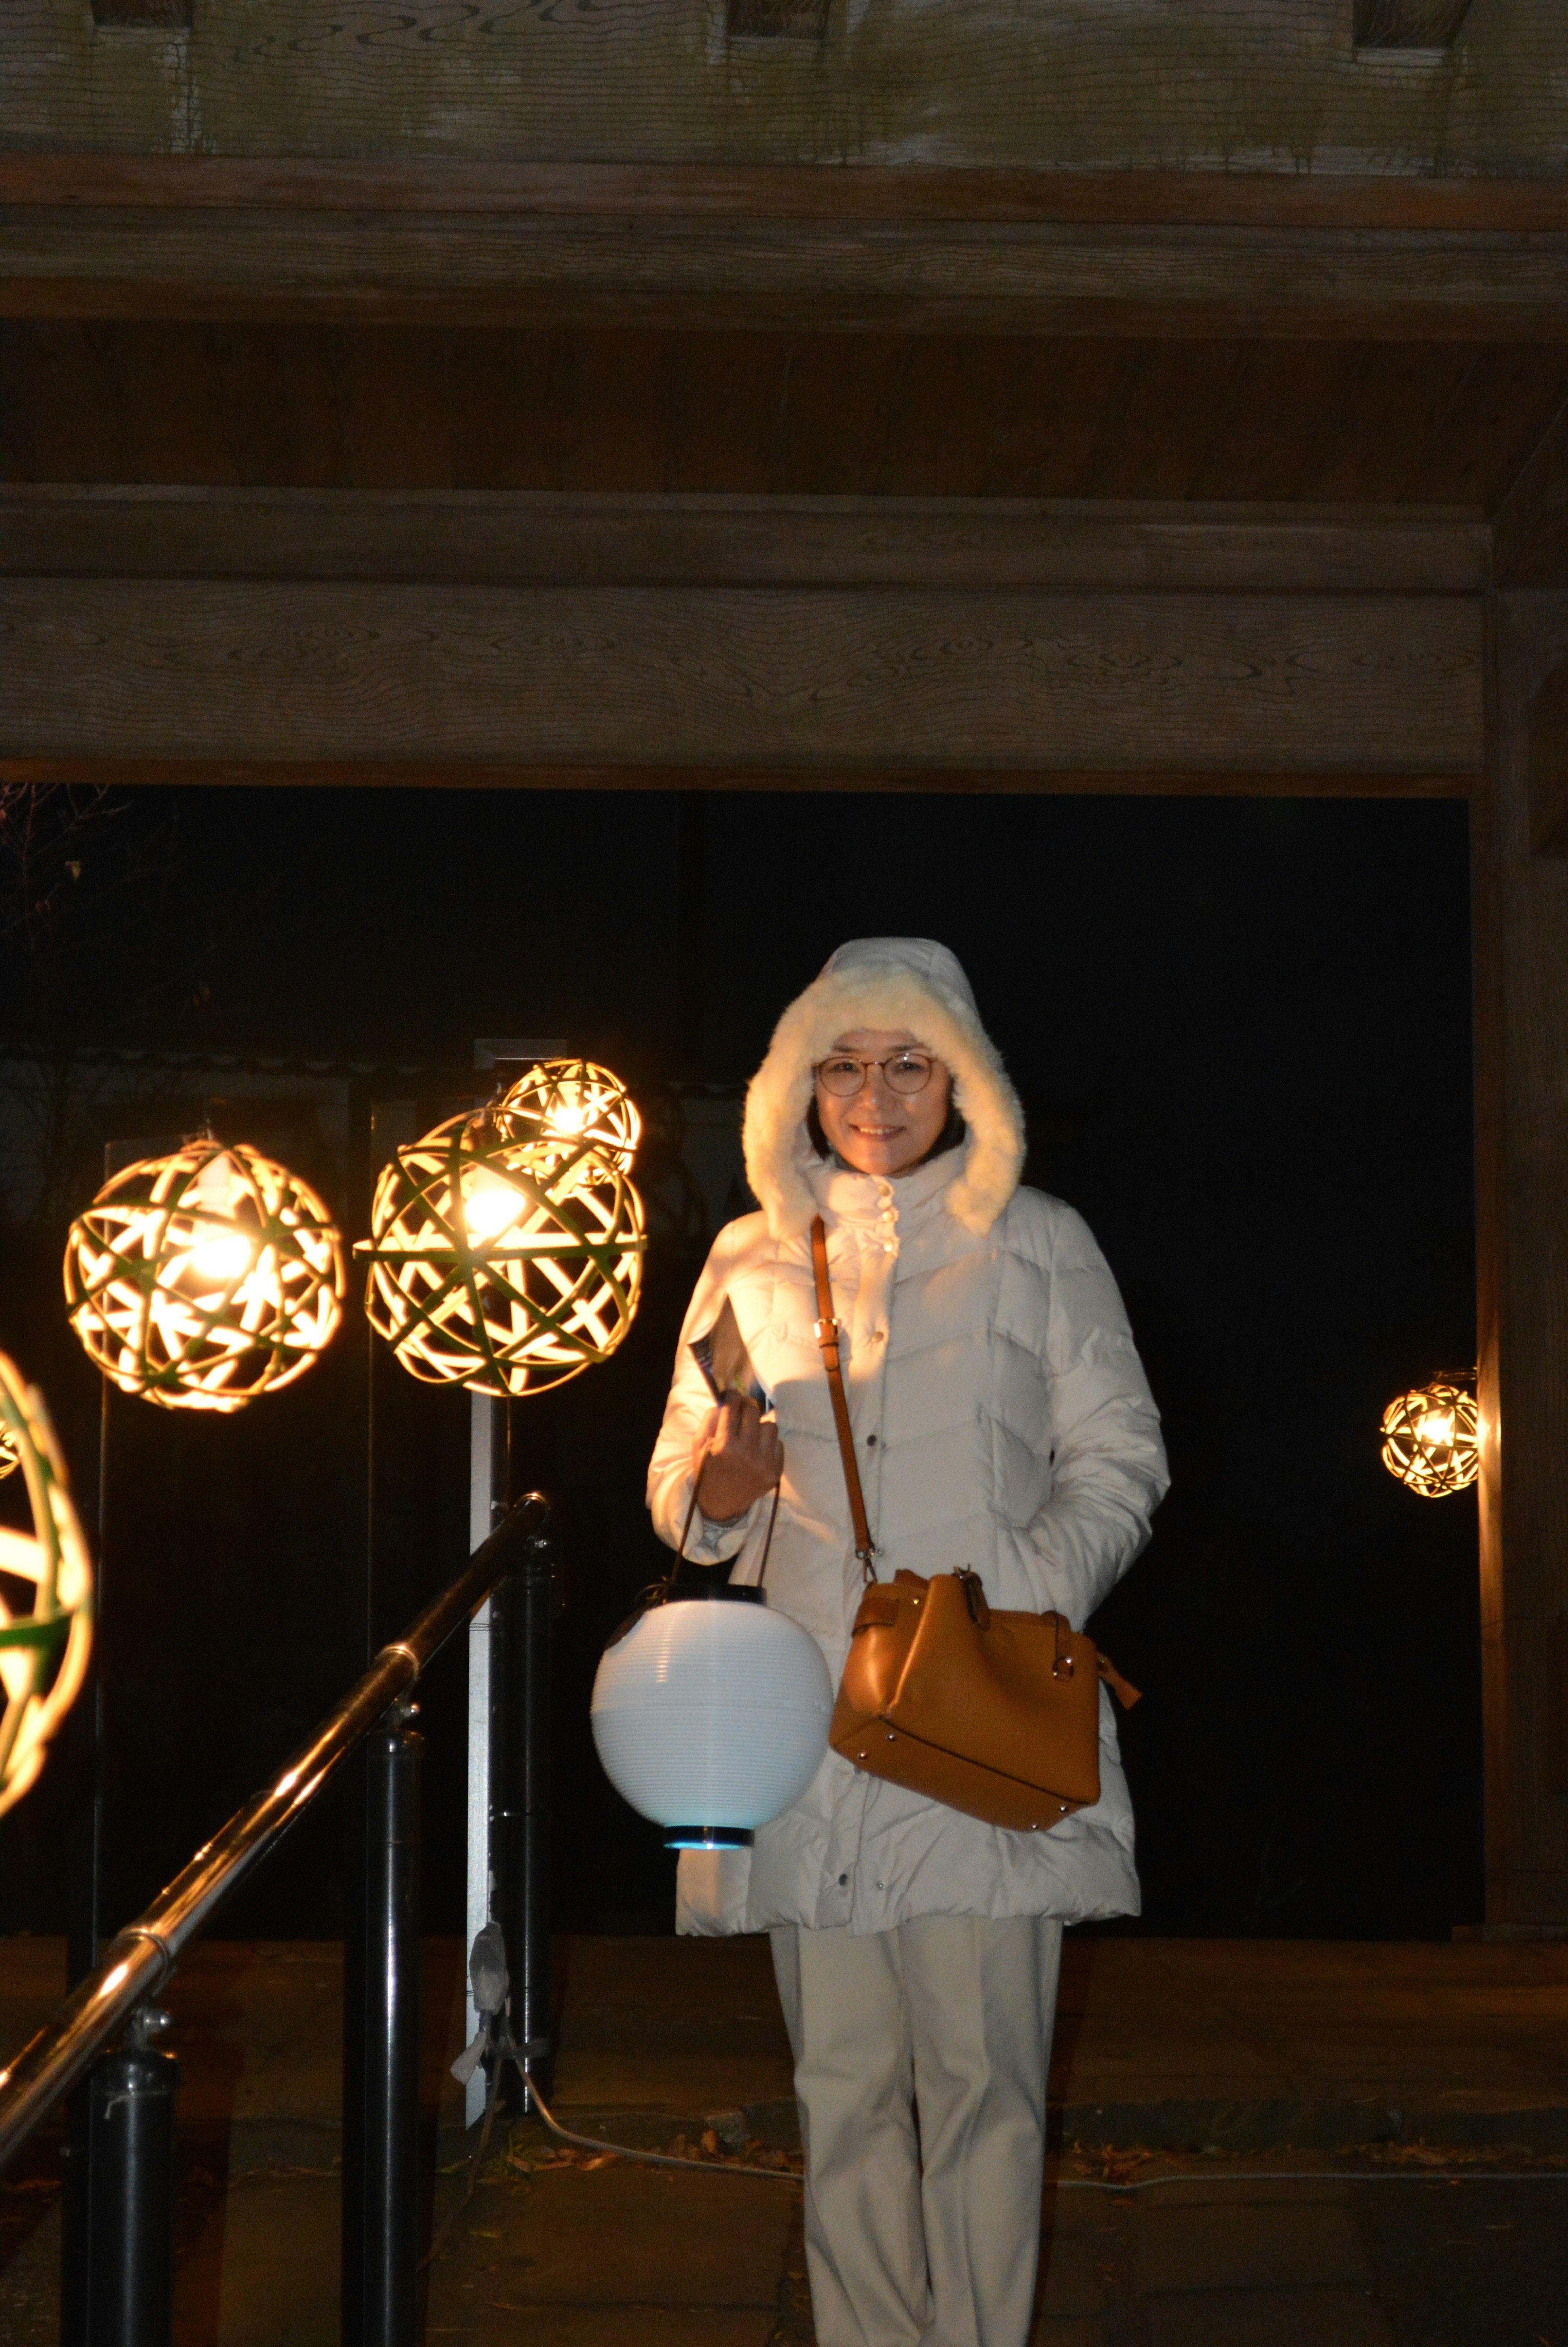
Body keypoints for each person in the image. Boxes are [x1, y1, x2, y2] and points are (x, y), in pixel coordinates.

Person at [648, 936, 1168, 2347]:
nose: (873, 1095)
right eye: (844, 1065)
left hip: (979, 1713)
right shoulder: (751, 1256)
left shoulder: (1040, 1240)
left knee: (986, 2085)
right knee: (842, 2087)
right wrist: (719, 1492)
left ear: (963, 1080)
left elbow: (1123, 1456)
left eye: (906, 1064)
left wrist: (1021, 1583)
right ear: (798, 1086)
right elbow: (682, 1478)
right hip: (801, 1723)